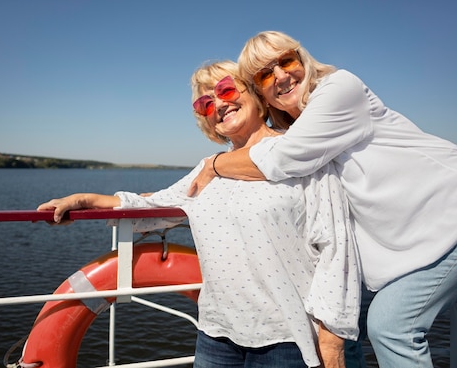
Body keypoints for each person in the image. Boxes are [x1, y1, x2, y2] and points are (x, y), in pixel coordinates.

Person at [187, 31, 457, 368]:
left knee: (391, 326)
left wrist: (214, 164)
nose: (280, 75)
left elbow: (282, 158)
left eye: (286, 61)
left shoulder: (340, 89)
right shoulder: (299, 124)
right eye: (266, 74)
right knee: (368, 323)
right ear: (262, 92)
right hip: (423, 233)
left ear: (302, 58)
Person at [37, 60, 361, 368]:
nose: (218, 105)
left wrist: (332, 340)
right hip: (216, 336)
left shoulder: (301, 152)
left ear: (256, 95)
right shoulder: (207, 170)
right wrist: (84, 199)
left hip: (289, 337)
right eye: (205, 104)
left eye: (226, 91)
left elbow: (336, 245)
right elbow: (154, 207)